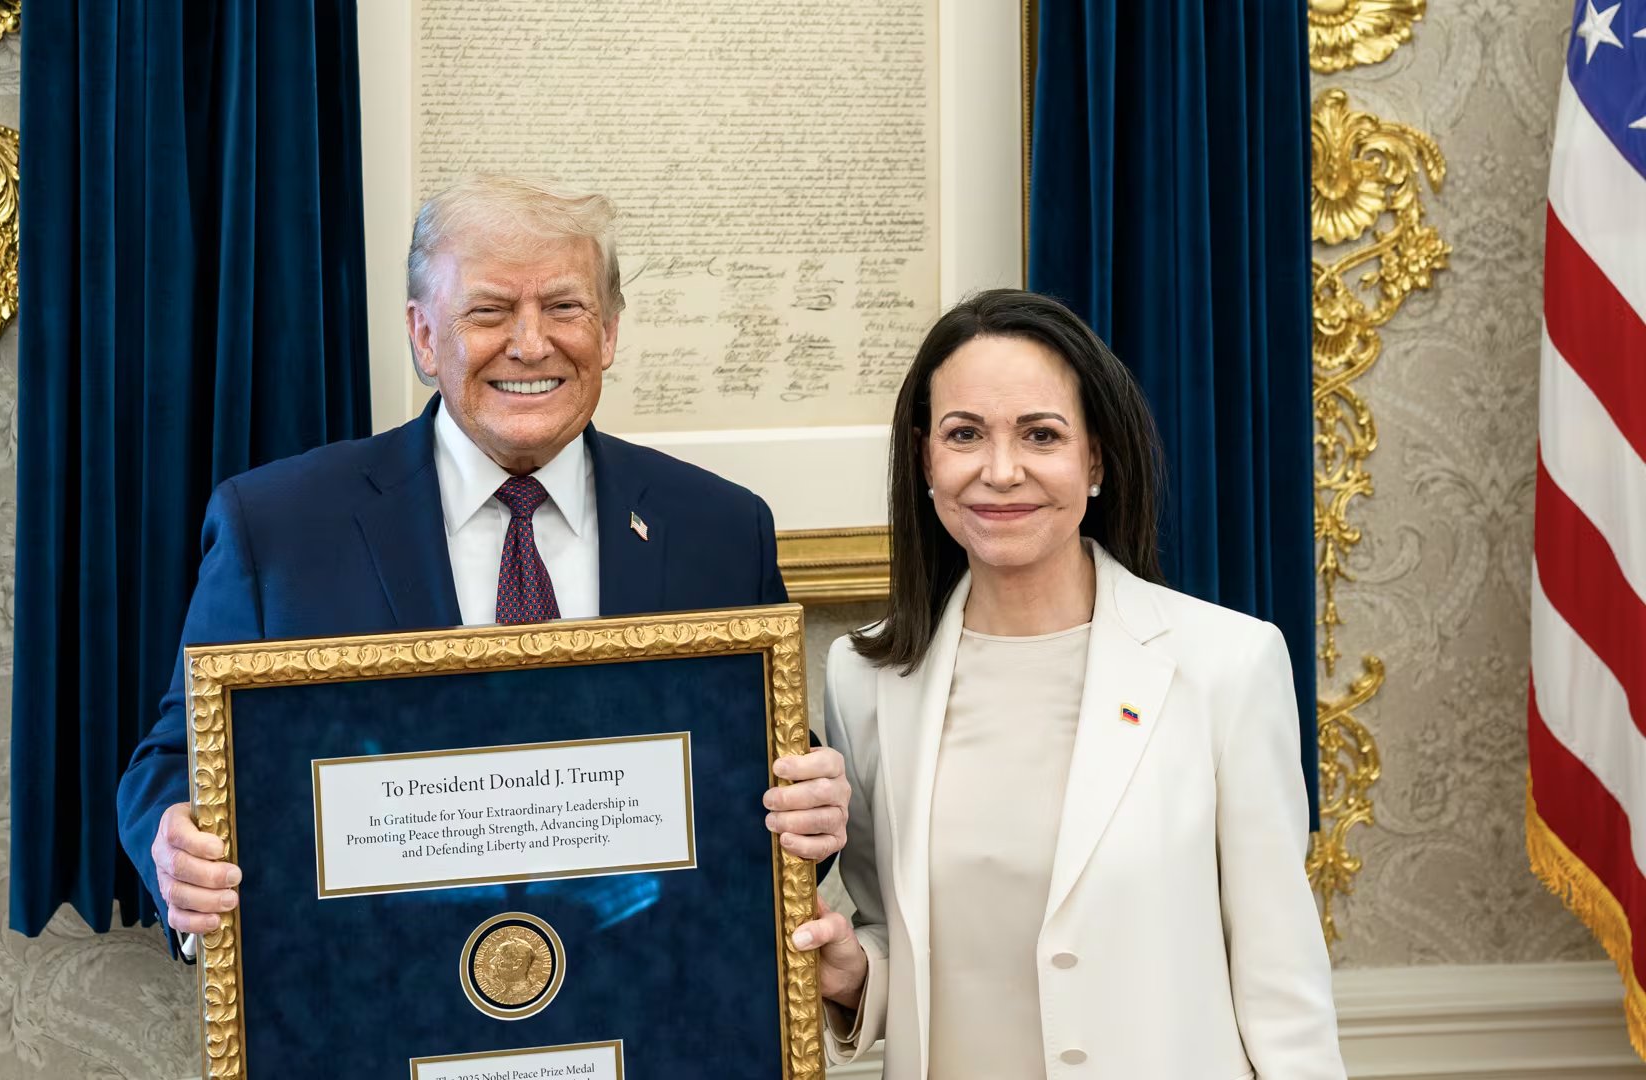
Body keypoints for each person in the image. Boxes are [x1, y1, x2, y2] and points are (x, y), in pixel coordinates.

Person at [116, 176, 850, 950]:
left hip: (647, 990)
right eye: (490, 311)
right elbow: (175, 761)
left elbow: (767, 772)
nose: (531, 344)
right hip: (373, 994)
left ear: (608, 332)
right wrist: (175, 846)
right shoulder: (278, 528)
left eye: (564, 308)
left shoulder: (720, 528)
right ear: (425, 336)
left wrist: (815, 812)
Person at [790, 289, 1343, 1077]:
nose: (1000, 470)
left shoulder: (1228, 664)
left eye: (1040, 435)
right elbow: (900, 937)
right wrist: (855, 975)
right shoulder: (865, 678)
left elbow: (1282, 983)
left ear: (1096, 462)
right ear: (925, 460)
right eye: (965, 435)